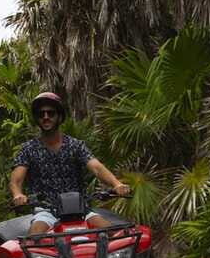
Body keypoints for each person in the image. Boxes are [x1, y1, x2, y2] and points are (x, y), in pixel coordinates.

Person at [10, 92, 130, 235]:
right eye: (41, 114)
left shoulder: (75, 145)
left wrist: (117, 184)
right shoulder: (28, 149)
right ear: (37, 119)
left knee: (114, 234)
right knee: (34, 239)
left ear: (60, 117)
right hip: (47, 211)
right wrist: (18, 194)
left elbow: (96, 168)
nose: (46, 117)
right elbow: (16, 179)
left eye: (51, 113)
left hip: (80, 210)